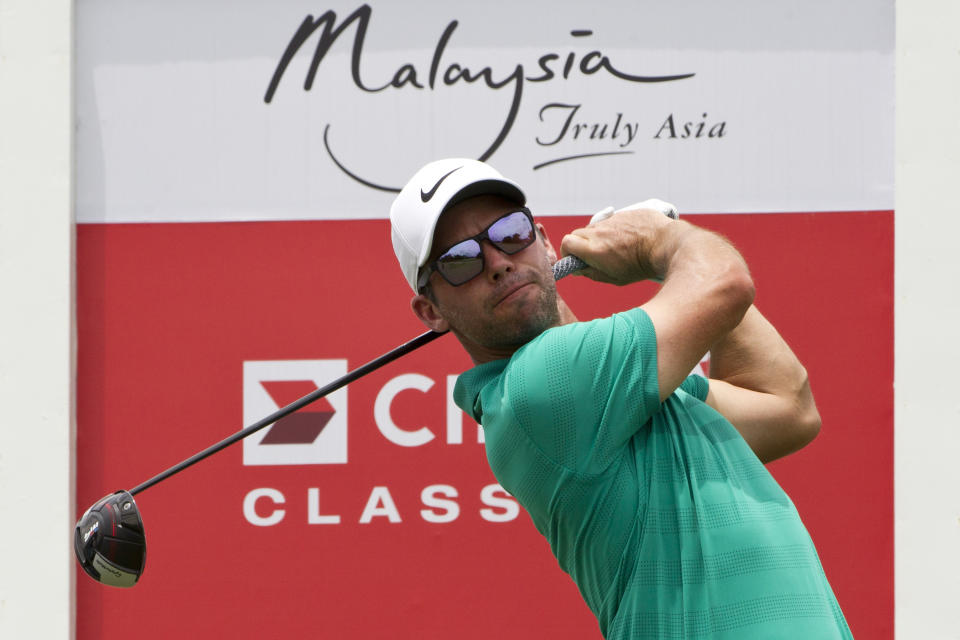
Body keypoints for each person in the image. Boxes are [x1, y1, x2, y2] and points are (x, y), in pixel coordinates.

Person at [390, 158, 852, 639]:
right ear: (431, 311)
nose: (498, 262)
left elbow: (786, 407)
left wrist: (670, 246)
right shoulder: (540, 384)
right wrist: (661, 242)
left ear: (545, 243)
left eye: (510, 232)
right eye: (460, 260)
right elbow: (725, 284)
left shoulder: (622, 391)